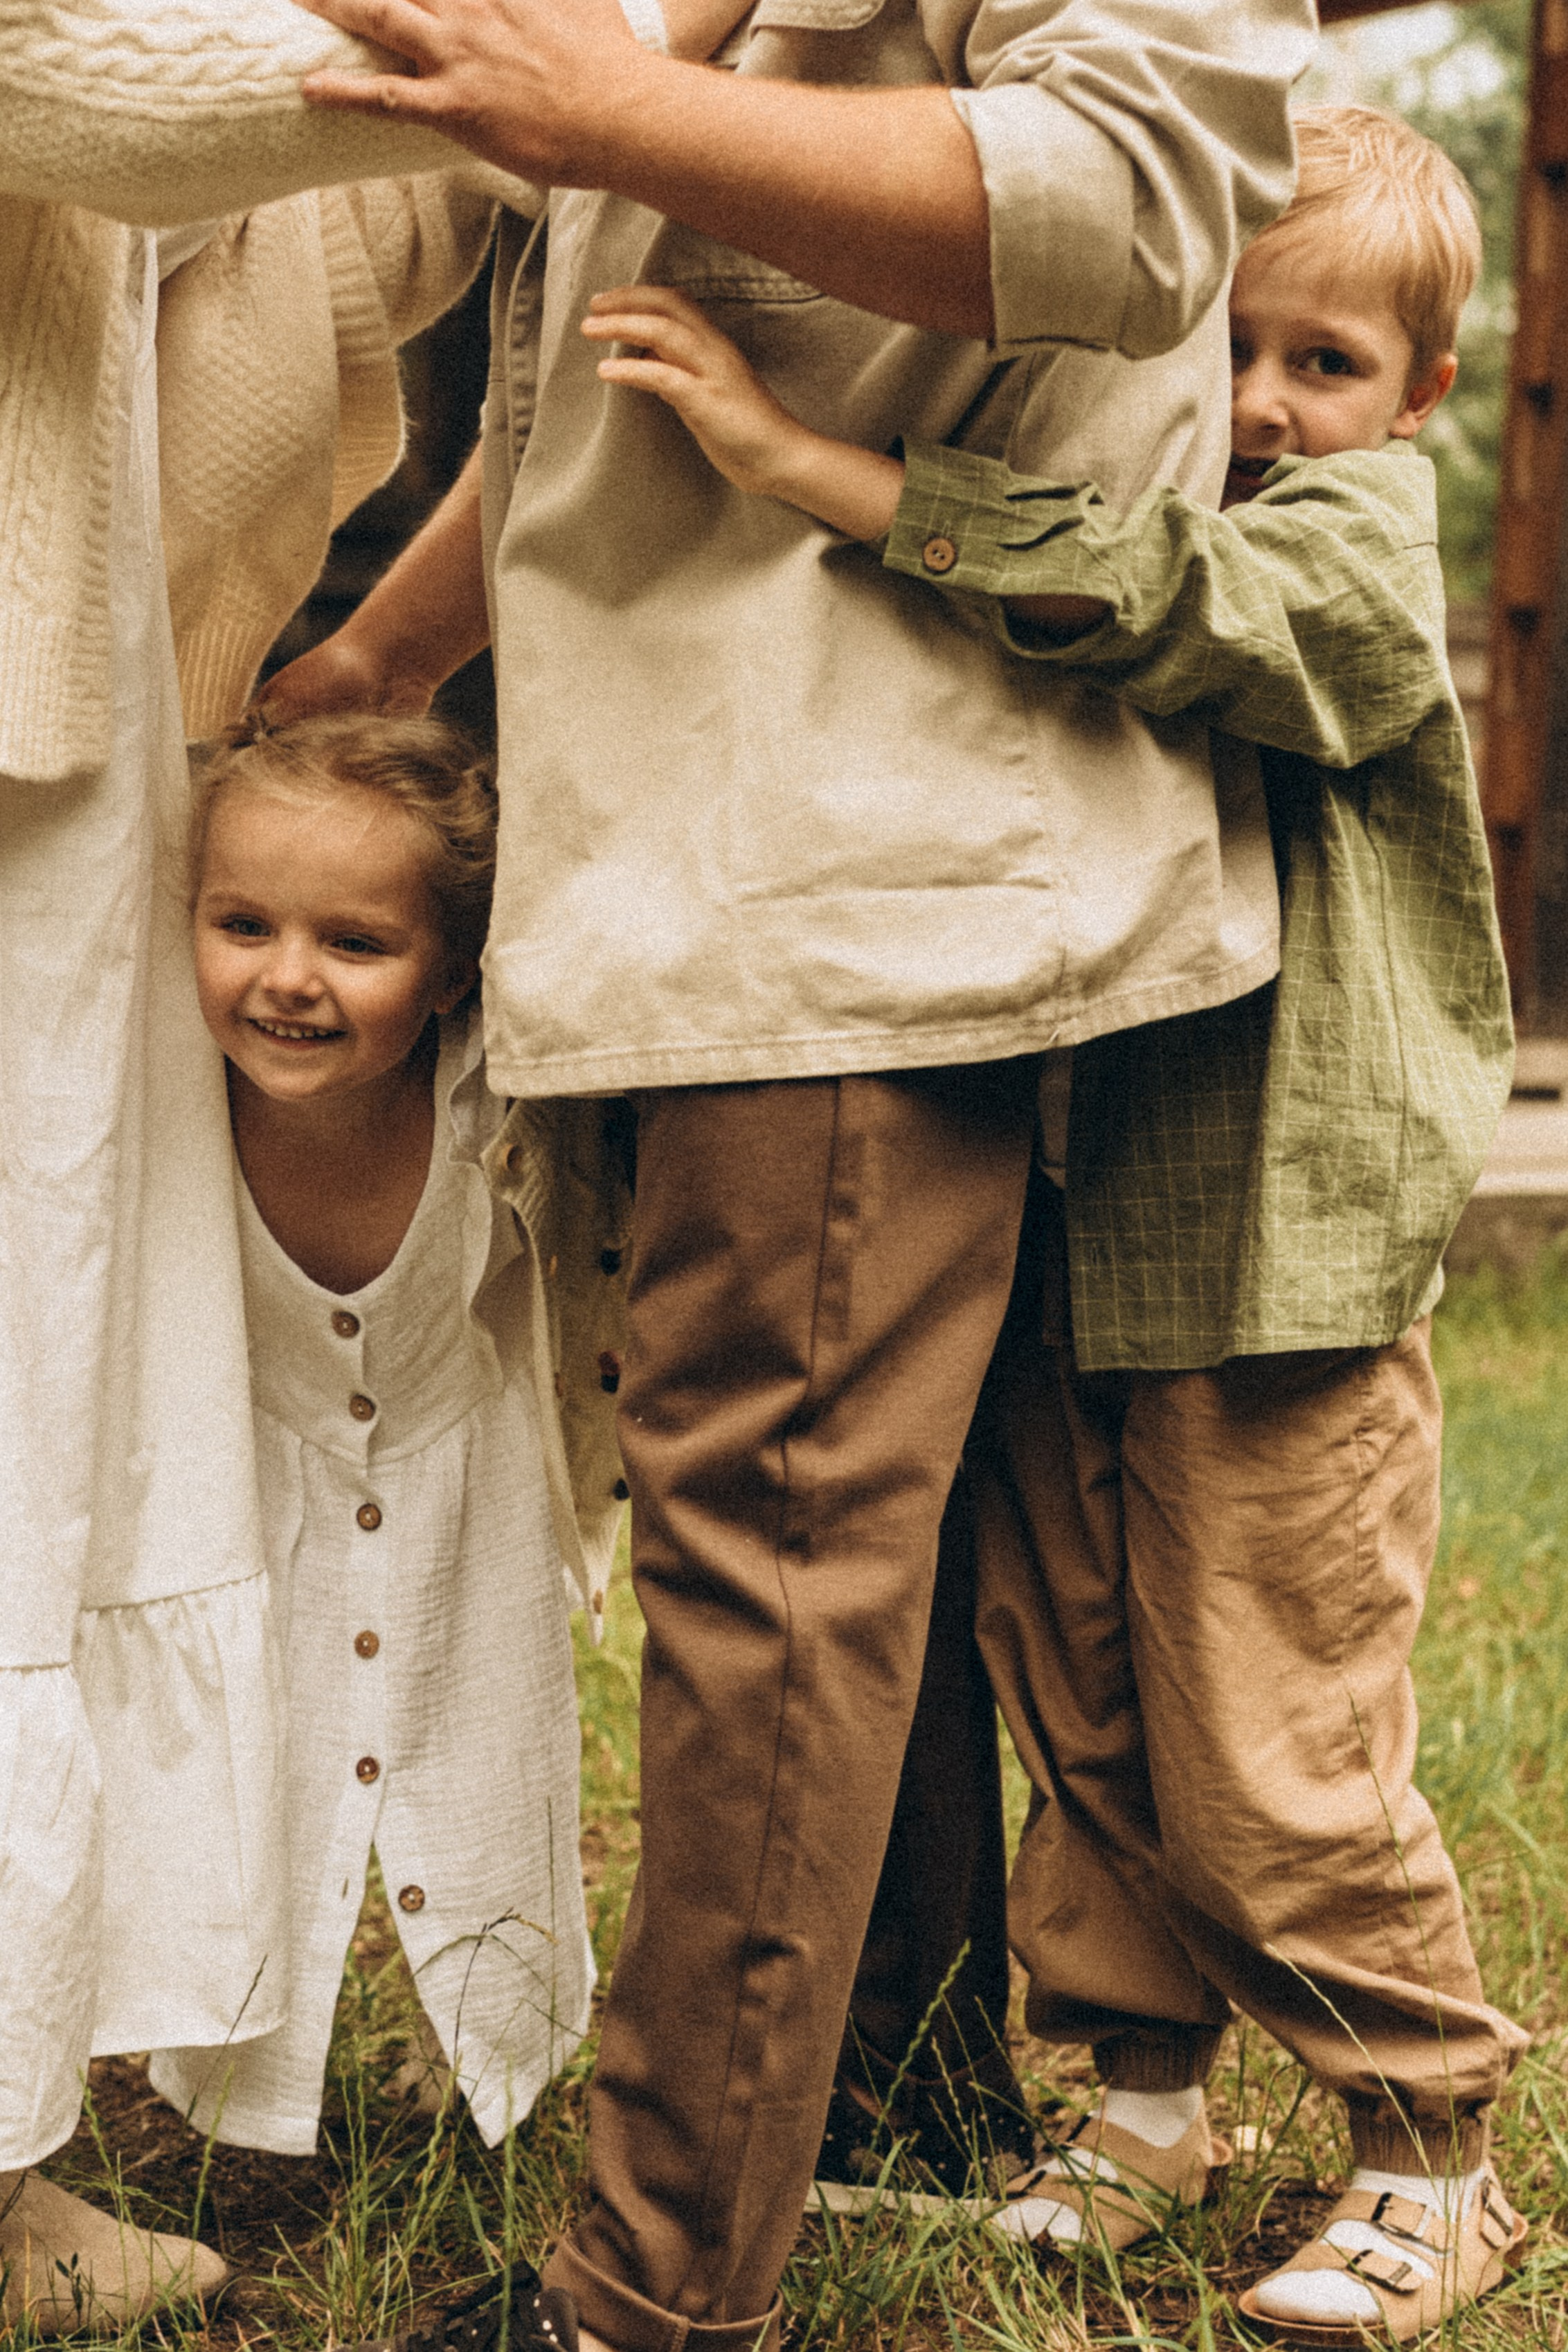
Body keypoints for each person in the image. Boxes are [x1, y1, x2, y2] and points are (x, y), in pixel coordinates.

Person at [264, 1, 1319, 2349]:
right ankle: (886, 2098)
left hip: (870, 832)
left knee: (776, 1540)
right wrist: (353, 670)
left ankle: (648, 2293)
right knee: (872, 1543)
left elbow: (1141, 196)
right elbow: (602, 401)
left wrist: (602, 102)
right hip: (729, 829)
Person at [582, 102, 1531, 2344]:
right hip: (1077, 1230)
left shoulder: (1345, 551)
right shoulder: (1126, 510)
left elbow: (1186, 609)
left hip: (1271, 1261)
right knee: (1084, 1693)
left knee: (1258, 1720)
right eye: (1227, 353)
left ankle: (1426, 2140)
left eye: (1325, 362)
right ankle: (1137, 2091)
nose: (1266, 407)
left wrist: (838, 475)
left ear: (1419, 402)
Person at [0, 0, 541, 2322]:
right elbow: (122, 96)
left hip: (82, 766)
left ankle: (9, 2159)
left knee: (42, 1440)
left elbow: (361, 222)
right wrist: (608, 43)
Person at [141, 711, 600, 2162]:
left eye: (355, 942)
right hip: (244, 1467)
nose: (288, 977)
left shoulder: (496, 1104)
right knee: (239, 1765)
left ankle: (488, 2065)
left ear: (454, 968)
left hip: (465, 1462)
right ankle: (220, 2066)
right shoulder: (159, 1100)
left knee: (486, 1750)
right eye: (242, 923)